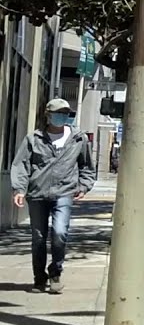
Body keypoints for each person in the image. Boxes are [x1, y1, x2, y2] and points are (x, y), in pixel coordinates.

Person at [9, 98, 96, 294]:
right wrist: (19, 189)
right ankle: (39, 278)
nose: (62, 116)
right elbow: (21, 165)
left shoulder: (78, 138)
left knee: (59, 233)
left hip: (64, 192)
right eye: (58, 113)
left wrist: (83, 185)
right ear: (48, 115)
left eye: (65, 113)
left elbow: (87, 166)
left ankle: (55, 272)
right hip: (37, 193)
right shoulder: (34, 139)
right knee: (38, 238)